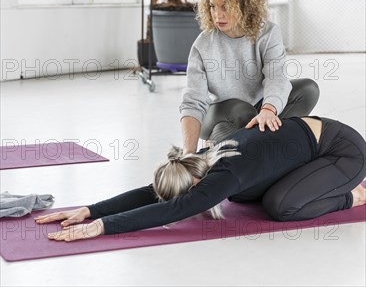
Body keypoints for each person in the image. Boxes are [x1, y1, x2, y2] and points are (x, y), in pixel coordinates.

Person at [36, 115, 366, 242]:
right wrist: (92, 209)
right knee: (244, 196)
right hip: (307, 151)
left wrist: (101, 227)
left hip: (343, 151)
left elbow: (171, 210)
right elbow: (155, 193)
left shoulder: (227, 172)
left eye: (186, 196)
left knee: (282, 207)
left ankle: (351, 194)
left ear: (195, 184)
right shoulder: (201, 161)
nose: (186, 202)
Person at [180, 0, 320, 155]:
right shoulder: (203, 44)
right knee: (242, 111)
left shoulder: (269, 33)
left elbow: (276, 76)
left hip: (259, 109)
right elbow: (193, 101)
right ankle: (231, 142)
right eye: (213, 6)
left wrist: (269, 109)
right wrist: (188, 155)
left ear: (245, 6)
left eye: (226, 7)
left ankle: (257, 142)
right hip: (222, 114)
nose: (217, 15)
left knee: (308, 89)